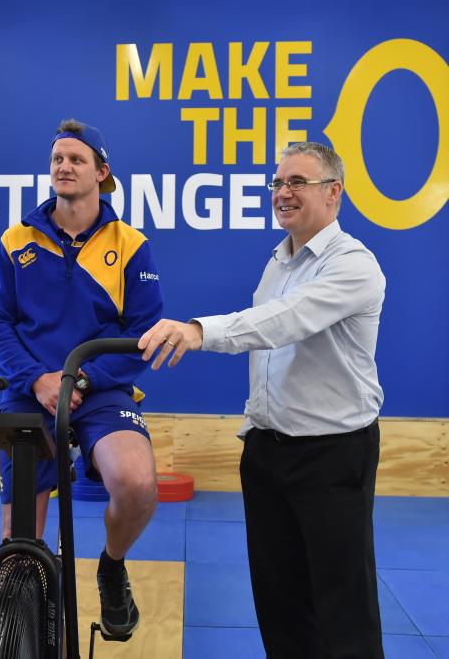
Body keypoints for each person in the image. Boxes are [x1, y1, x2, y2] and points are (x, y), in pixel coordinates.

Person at [138, 142, 386, 659]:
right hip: (268, 454)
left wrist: (198, 330)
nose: (283, 193)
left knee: (345, 610)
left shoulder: (355, 266)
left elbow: (283, 322)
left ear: (333, 192)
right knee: (280, 606)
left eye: (297, 182)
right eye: (277, 183)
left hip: (332, 455)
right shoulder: (278, 262)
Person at [0, 119, 163, 641]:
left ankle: (111, 567)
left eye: (76, 159)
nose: (63, 166)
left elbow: (144, 331)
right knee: (19, 548)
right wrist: (36, 379)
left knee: (136, 485)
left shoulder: (131, 245)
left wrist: (82, 378)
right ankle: (25, 625)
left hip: (101, 391)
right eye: (58, 158)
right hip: (30, 390)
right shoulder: (17, 240)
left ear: (102, 173)